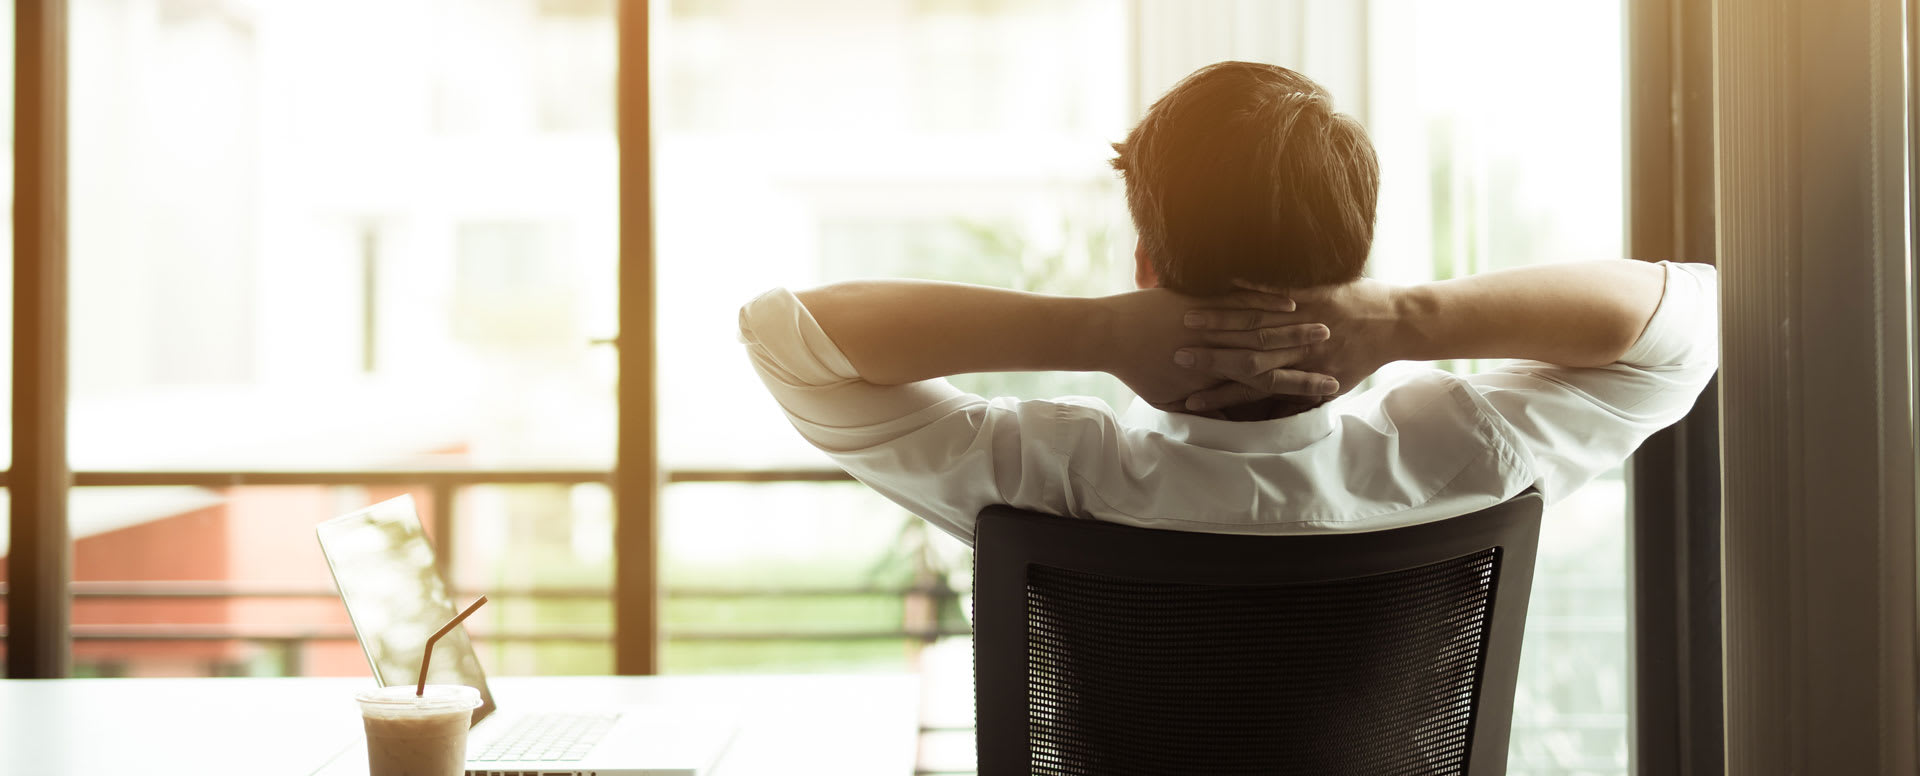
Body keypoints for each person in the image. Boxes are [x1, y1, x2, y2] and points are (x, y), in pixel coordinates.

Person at [737, 61, 1716, 544]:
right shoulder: (1462, 453)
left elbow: (788, 336)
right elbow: (1686, 318)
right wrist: (1402, 319)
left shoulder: (1047, 476)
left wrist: (1096, 328)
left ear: (1146, 260)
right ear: (1356, 259)